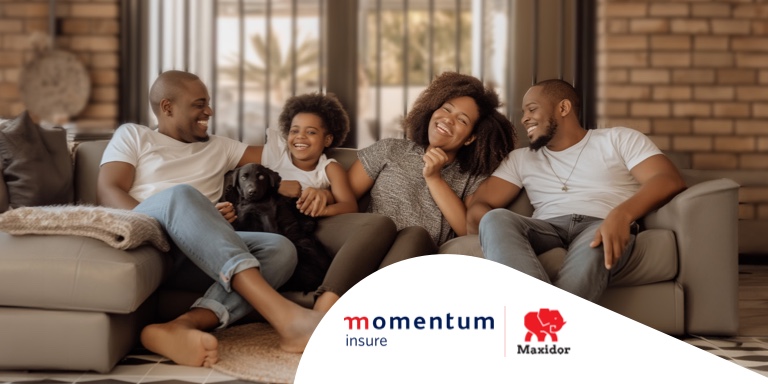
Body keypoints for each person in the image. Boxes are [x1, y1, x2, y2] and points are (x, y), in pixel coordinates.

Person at [96, 70, 326, 367]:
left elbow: (291, 155)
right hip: (148, 239)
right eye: (199, 104)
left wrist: (320, 189)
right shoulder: (134, 135)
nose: (209, 111)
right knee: (182, 195)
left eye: (208, 103)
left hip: (202, 252)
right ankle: (286, 318)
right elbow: (109, 189)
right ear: (167, 107)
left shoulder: (222, 147)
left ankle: (182, 326)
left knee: (280, 248)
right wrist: (181, 217)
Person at [467, 79, 686, 302]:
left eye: (532, 109)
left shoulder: (618, 139)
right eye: (524, 112)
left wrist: (622, 215)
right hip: (547, 228)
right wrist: (490, 229)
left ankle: (537, 316)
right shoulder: (521, 158)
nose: (524, 118)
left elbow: (667, 179)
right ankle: (545, 315)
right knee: (494, 218)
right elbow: (480, 203)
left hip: (601, 223)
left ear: (563, 108)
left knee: (598, 239)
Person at [240, 92, 397, 312]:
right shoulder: (276, 156)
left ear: (328, 140)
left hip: (297, 228)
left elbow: (349, 206)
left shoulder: (329, 168)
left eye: (311, 132)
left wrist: (321, 210)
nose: (300, 137)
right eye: (294, 131)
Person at [347, 71, 516, 265]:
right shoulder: (390, 149)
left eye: (462, 120)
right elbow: (343, 198)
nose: (448, 119)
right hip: (370, 247)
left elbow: (467, 230)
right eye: (446, 109)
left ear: (470, 138)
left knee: (415, 235)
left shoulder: (472, 177)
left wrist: (434, 178)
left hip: (419, 257)